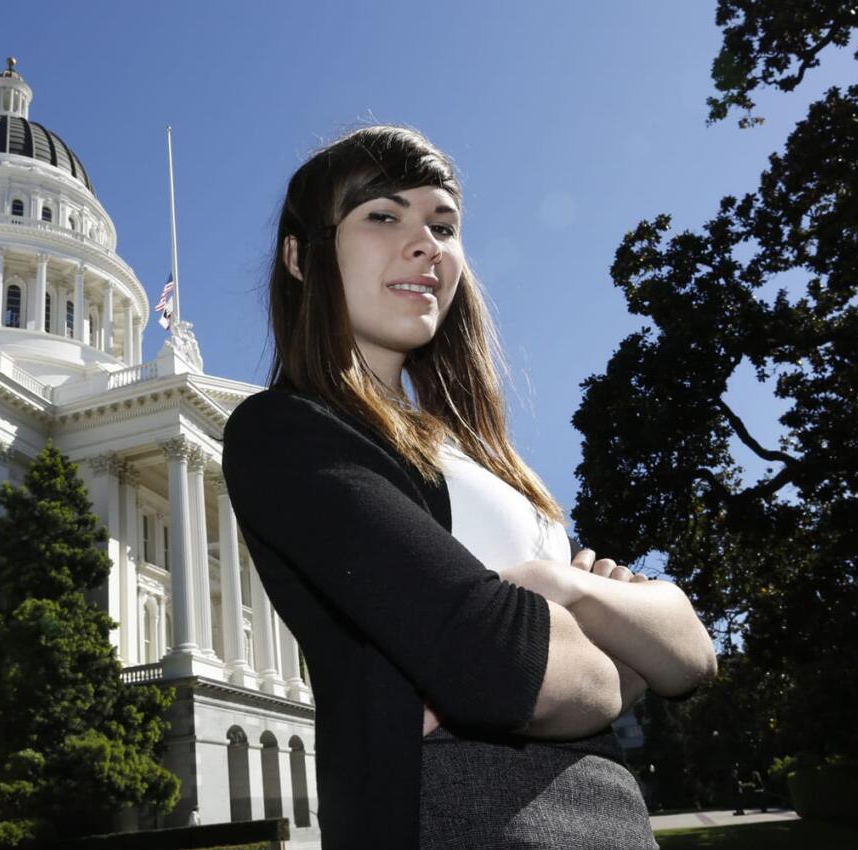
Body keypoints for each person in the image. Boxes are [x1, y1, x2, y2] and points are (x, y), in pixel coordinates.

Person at [220, 125, 718, 849]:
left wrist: (556, 587)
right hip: (473, 818)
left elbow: (692, 654)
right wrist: (615, 640)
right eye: (383, 216)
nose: (426, 243)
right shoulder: (288, 432)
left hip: (609, 815)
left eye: (443, 225)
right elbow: (500, 669)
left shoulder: (486, 457)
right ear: (300, 257)